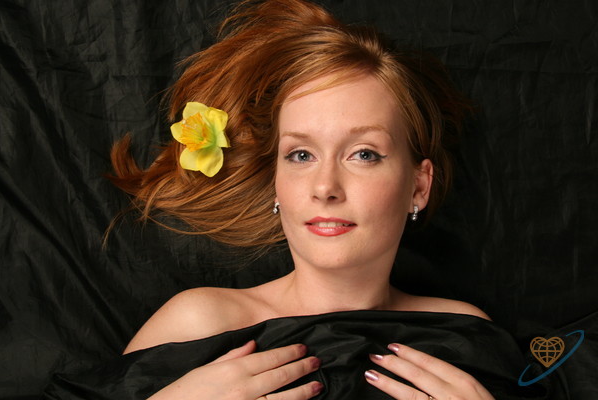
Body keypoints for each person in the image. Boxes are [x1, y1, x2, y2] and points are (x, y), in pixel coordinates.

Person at [108, 0, 499, 399]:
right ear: (276, 181)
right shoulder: (199, 323)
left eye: (364, 154)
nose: (325, 187)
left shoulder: (463, 334)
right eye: (301, 155)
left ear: (418, 187)